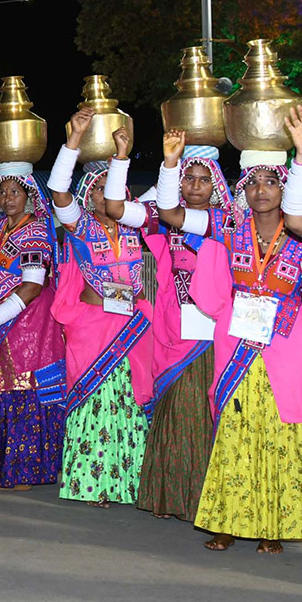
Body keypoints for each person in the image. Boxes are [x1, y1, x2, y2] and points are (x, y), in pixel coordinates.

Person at [186, 104, 302, 554]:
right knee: (235, 430)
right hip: (239, 342)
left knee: (281, 433)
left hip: (288, 342)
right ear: (243, 189)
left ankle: (273, 527)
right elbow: (170, 215)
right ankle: (227, 520)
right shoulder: (228, 228)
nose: (261, 191)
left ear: (286, 187)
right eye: (253, 182)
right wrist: (167, 166)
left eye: (271, 182)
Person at [103, 130, 231, 522]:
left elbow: (173, 211)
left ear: (216, 184)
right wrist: (122, 157)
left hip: (209, 335)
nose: (194, 186)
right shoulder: (163, 223)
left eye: (202, 179)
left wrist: (171, 166)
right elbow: (115, 208)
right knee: (172, 411)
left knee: (197, 411)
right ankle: (169, 495)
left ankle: (198, 500)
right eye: (187, 179)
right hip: (170, 332)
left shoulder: (223, 221)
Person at [48, 113, 152, 507]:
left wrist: (122, 155)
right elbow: (59, 192)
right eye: (98, 190)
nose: (104, 196)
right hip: (91, 328)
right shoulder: (81, 227)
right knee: (91, 401)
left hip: (128, 329)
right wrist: (73, 140)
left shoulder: (134, 227)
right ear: (89, 196)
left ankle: (126, 484)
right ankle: (90, 484)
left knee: (125, 403)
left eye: (113, 188)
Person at [0, 157, 67, 490]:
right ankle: (4, 466)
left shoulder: (34, 232)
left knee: (20, 393)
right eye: (3, 192)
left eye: (15, 192)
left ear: (29, 196)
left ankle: (25, 470)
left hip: (26, 324)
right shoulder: (2, 227)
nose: (8, 198)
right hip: (3, 321)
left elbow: (32, 285)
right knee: (1, 392)